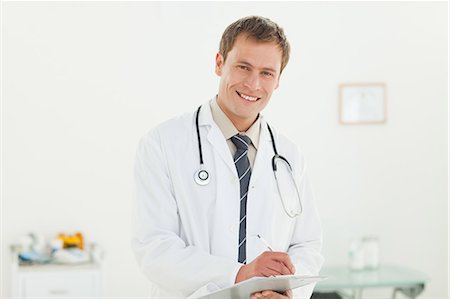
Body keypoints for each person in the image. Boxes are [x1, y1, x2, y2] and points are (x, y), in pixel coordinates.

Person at [132, 16, 324, 299]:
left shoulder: (289, 154)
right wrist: (239, 275)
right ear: (219, 63)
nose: (253, 84)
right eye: (243, 67)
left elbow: (307, 245)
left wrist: (286, 291)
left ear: (279, 79)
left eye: (267, 73)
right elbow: (154, 248)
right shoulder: (163, 143)